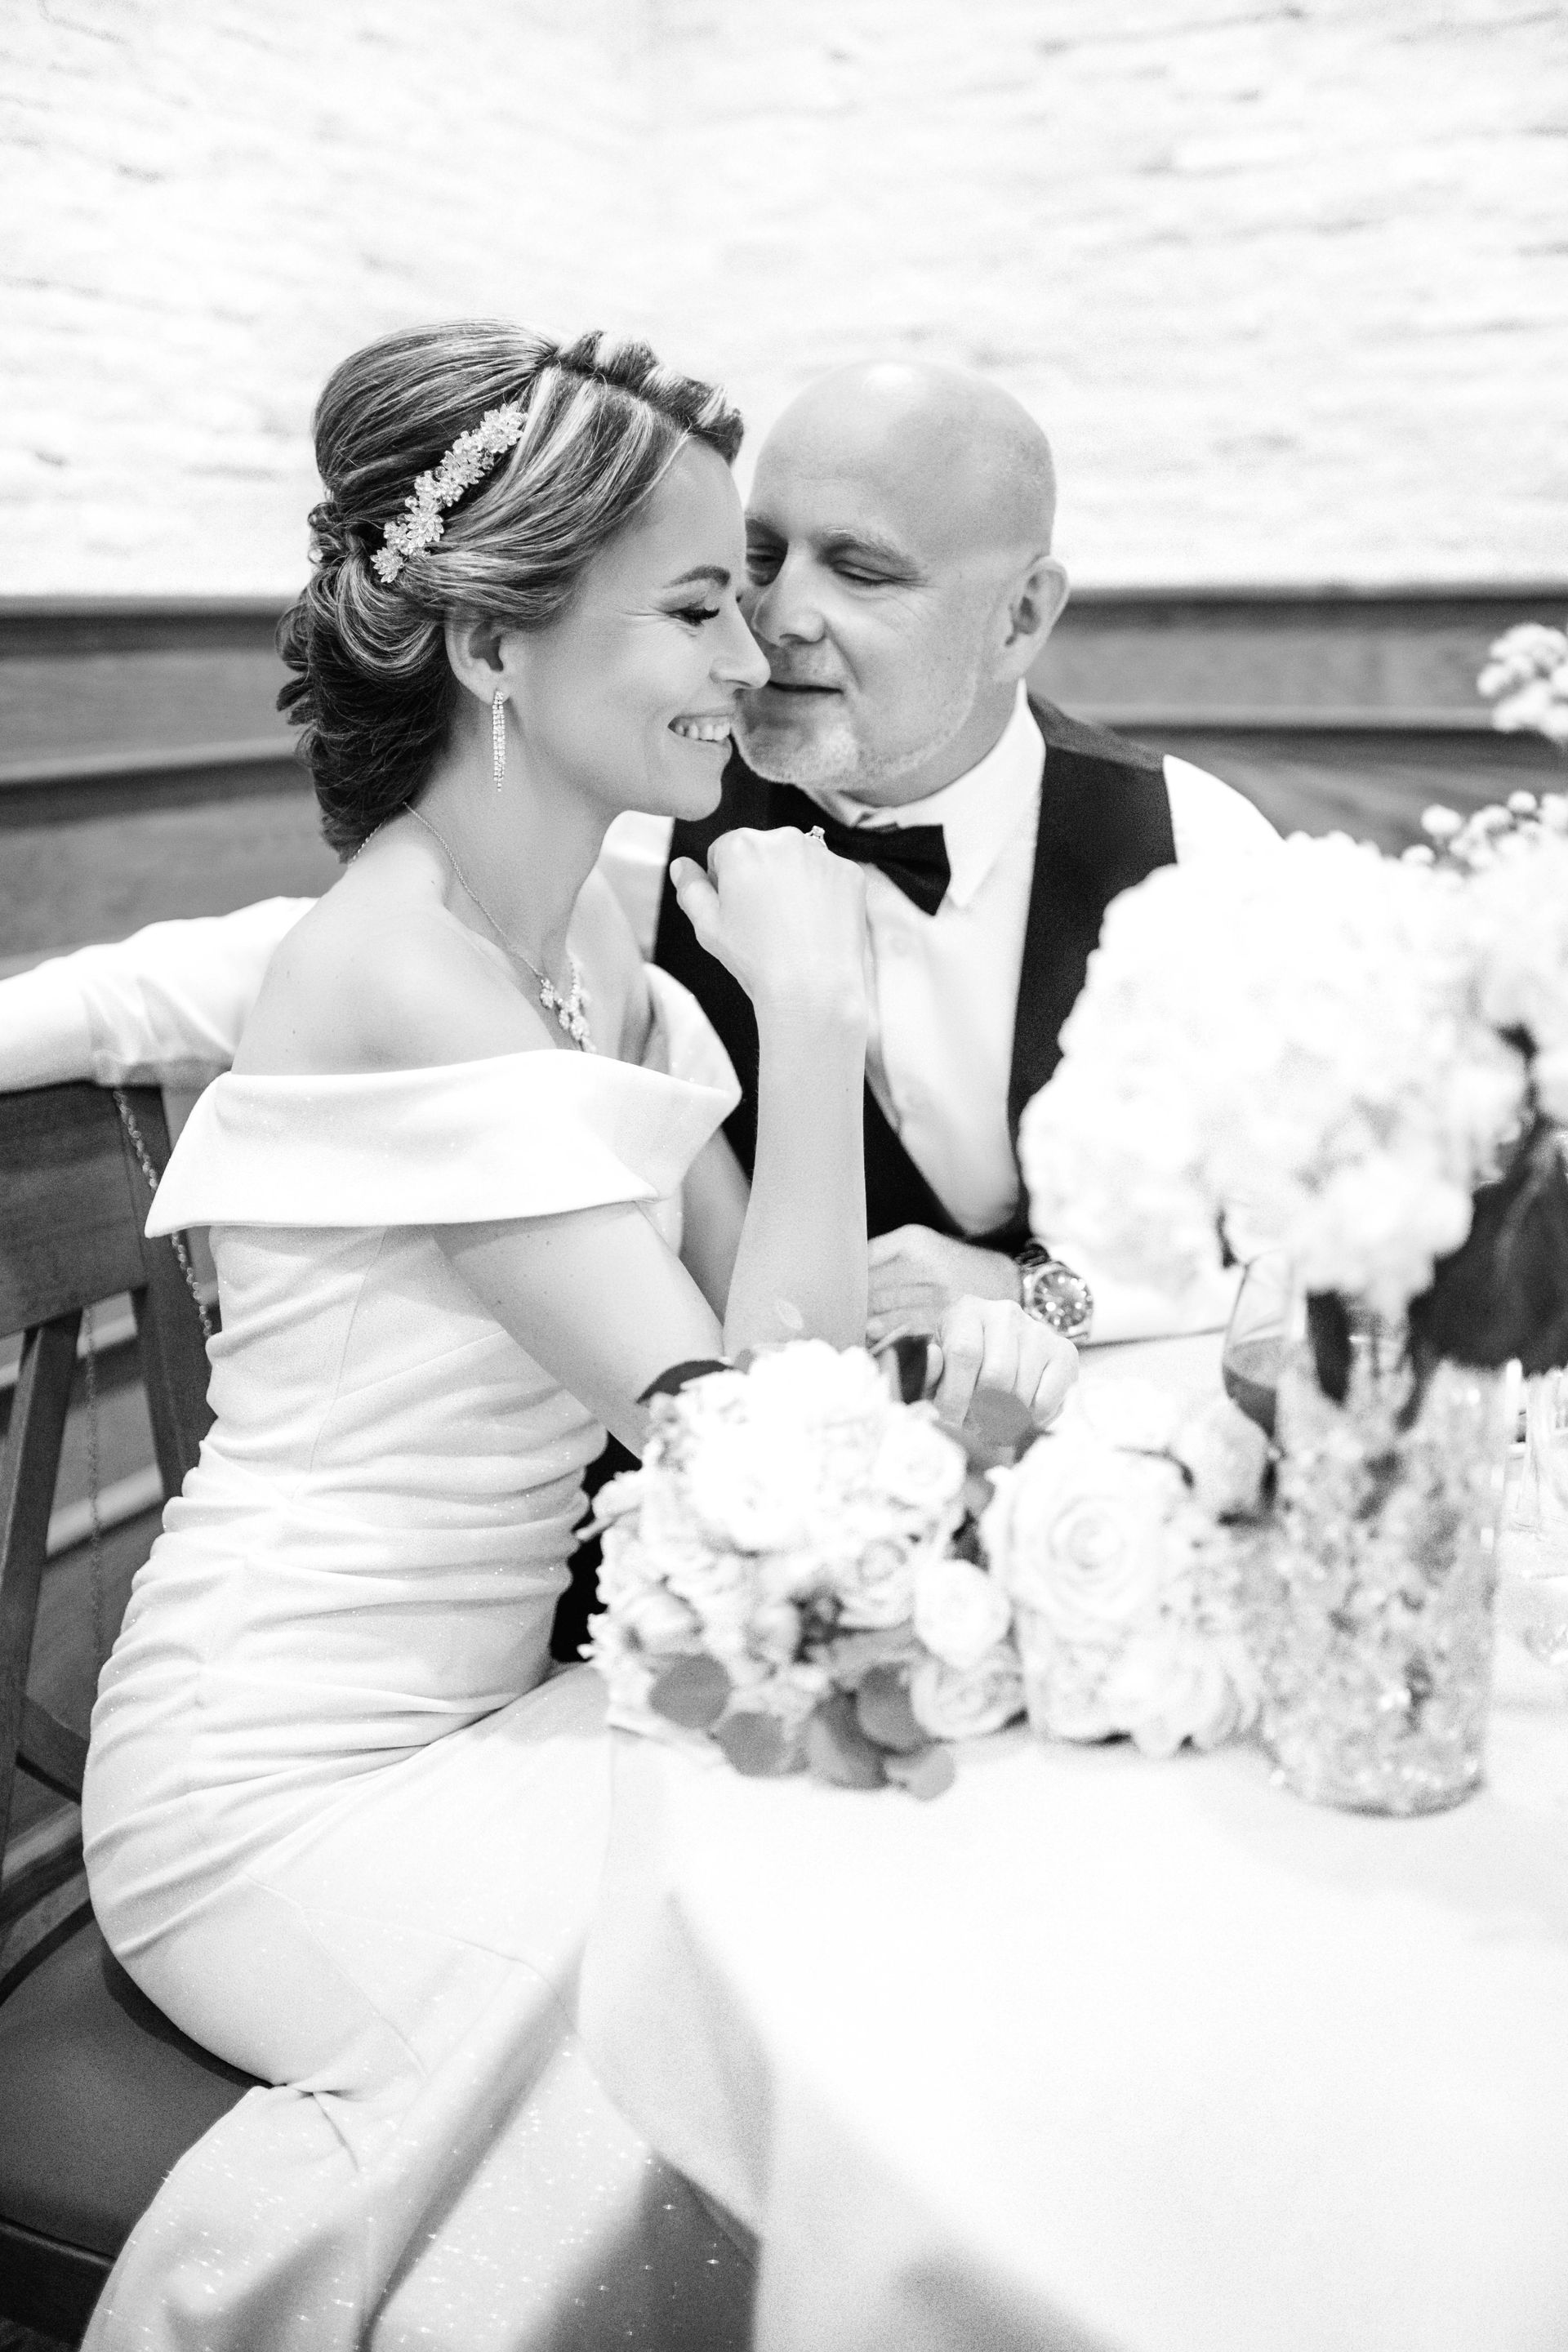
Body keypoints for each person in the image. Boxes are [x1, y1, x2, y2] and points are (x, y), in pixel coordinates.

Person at [71, 322, 1076, 2352]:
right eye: (703, 606)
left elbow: (783, 1379)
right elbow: (760, 1445)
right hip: (273, 1780)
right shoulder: (404, 973)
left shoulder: (583, 950)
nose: (755, 658)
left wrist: (787, 1022)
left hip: (496, 1725)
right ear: (496, 651)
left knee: (912, 1926)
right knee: (759, 2033)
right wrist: (816, 1024)